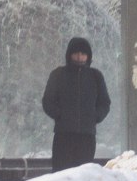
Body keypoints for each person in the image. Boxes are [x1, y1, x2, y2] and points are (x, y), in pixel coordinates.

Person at [42, 36, 110, 171]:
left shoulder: (95, 76)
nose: (80, 57)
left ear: (88, 56)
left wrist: (94, 117)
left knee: (83, 175)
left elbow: (104, 102)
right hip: (63, 136)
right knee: (61, 175)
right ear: (69, 54)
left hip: (87, 136)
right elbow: (48, 101)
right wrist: (60, 115)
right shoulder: (58, 75)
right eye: (76, 53)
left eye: (83, 54)